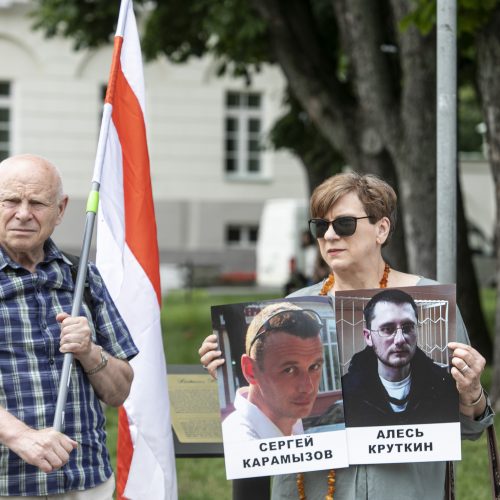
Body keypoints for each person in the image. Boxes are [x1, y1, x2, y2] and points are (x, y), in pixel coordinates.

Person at [199, 172, 493, 500]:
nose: (329, 235)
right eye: (319, 227)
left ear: (381, 229)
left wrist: (472, 394)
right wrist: (227, 371)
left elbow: (469, 429)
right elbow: (263, 426)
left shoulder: (427, 303)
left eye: (344, 225)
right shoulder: (290, 310)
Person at [0, 154, 138, 498]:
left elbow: (120, 391)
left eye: (37, 203)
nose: (23, 213)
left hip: (86, 480)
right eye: (11, 201)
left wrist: (90, 353)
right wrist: (19, 435)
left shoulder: (82, 278)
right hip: (8, 483)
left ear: (60, 210)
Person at [341, 288, 458, 427]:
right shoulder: (347, 393)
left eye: (408, 328)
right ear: (368, 337)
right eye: (387, 329)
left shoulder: (443, 385)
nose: (400, 339)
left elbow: (469, 433)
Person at [222, 302, 325, 441]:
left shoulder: (292, 424)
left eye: (314, 367)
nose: (308, 387)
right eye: (289, 370)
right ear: (250, 370)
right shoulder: (241, 440)